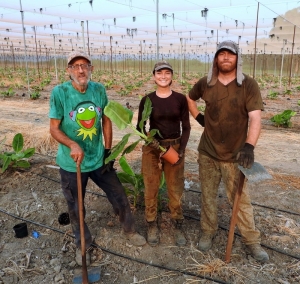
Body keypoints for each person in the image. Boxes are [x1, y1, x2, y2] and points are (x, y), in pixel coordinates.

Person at [49, 50, 146, 266]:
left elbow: (107, 120)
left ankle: (129, 230)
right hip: (71, 163)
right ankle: (82, 243)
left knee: (119, 195)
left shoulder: (99, 90)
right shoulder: (60, 93)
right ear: (69, 71)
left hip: (97, 158)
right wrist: (73, 144)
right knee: (75, 206)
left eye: (85, 65)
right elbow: (54, 129)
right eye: (76, 66)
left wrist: (108, 151)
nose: (81, 70)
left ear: (91, 69)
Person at [187, 40, 269, 262]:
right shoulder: (206, 83)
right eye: (221, 54)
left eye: (230, 55)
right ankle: (208, 231)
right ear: (215, 59)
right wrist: (199, 118)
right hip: (208, 152)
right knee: (208, 196)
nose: (225, 58)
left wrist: (249, 146)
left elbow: (255, 118)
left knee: (240, 200)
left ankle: (252, 241)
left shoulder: (248, 85)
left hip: (235, 155)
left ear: (237, 59)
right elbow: (190, 98)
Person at [137, 61, 191, 247]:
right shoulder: (147, 100)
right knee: (150, 186)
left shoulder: (180, 99)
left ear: (171, 76)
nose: (163, 76)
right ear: (154, 76)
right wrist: (148, 139)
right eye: (160, 73)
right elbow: (140, 126)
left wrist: (181, 149)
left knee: (175, 188)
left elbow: (187, 126)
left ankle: (177, 223)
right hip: (153, 148)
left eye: (167, 73)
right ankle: (151, 223)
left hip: (174, 146)